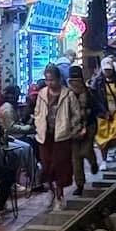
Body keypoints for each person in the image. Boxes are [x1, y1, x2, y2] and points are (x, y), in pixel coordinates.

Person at [34, 64, 84, 208]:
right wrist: (38, 123)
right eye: (47, 80)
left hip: (61, 136)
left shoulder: (67, 95)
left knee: (60, 165)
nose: (50, 83)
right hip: (45, 135)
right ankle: (50, 189)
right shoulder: (42, 94)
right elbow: (37, 111)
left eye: (52, 80)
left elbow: (76, 114)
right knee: (46, 165)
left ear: (58, 79)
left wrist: (70, 126)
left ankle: (59, 195)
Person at [69, 64, 102, 193]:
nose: (75, 84)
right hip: (73, 127)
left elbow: (96, 107)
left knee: (86, 149)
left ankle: (93, 162)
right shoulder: (67, 95)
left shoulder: (89, 93)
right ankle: (79, 184)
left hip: (89, 125)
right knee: (76, 157)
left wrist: (88, 114)